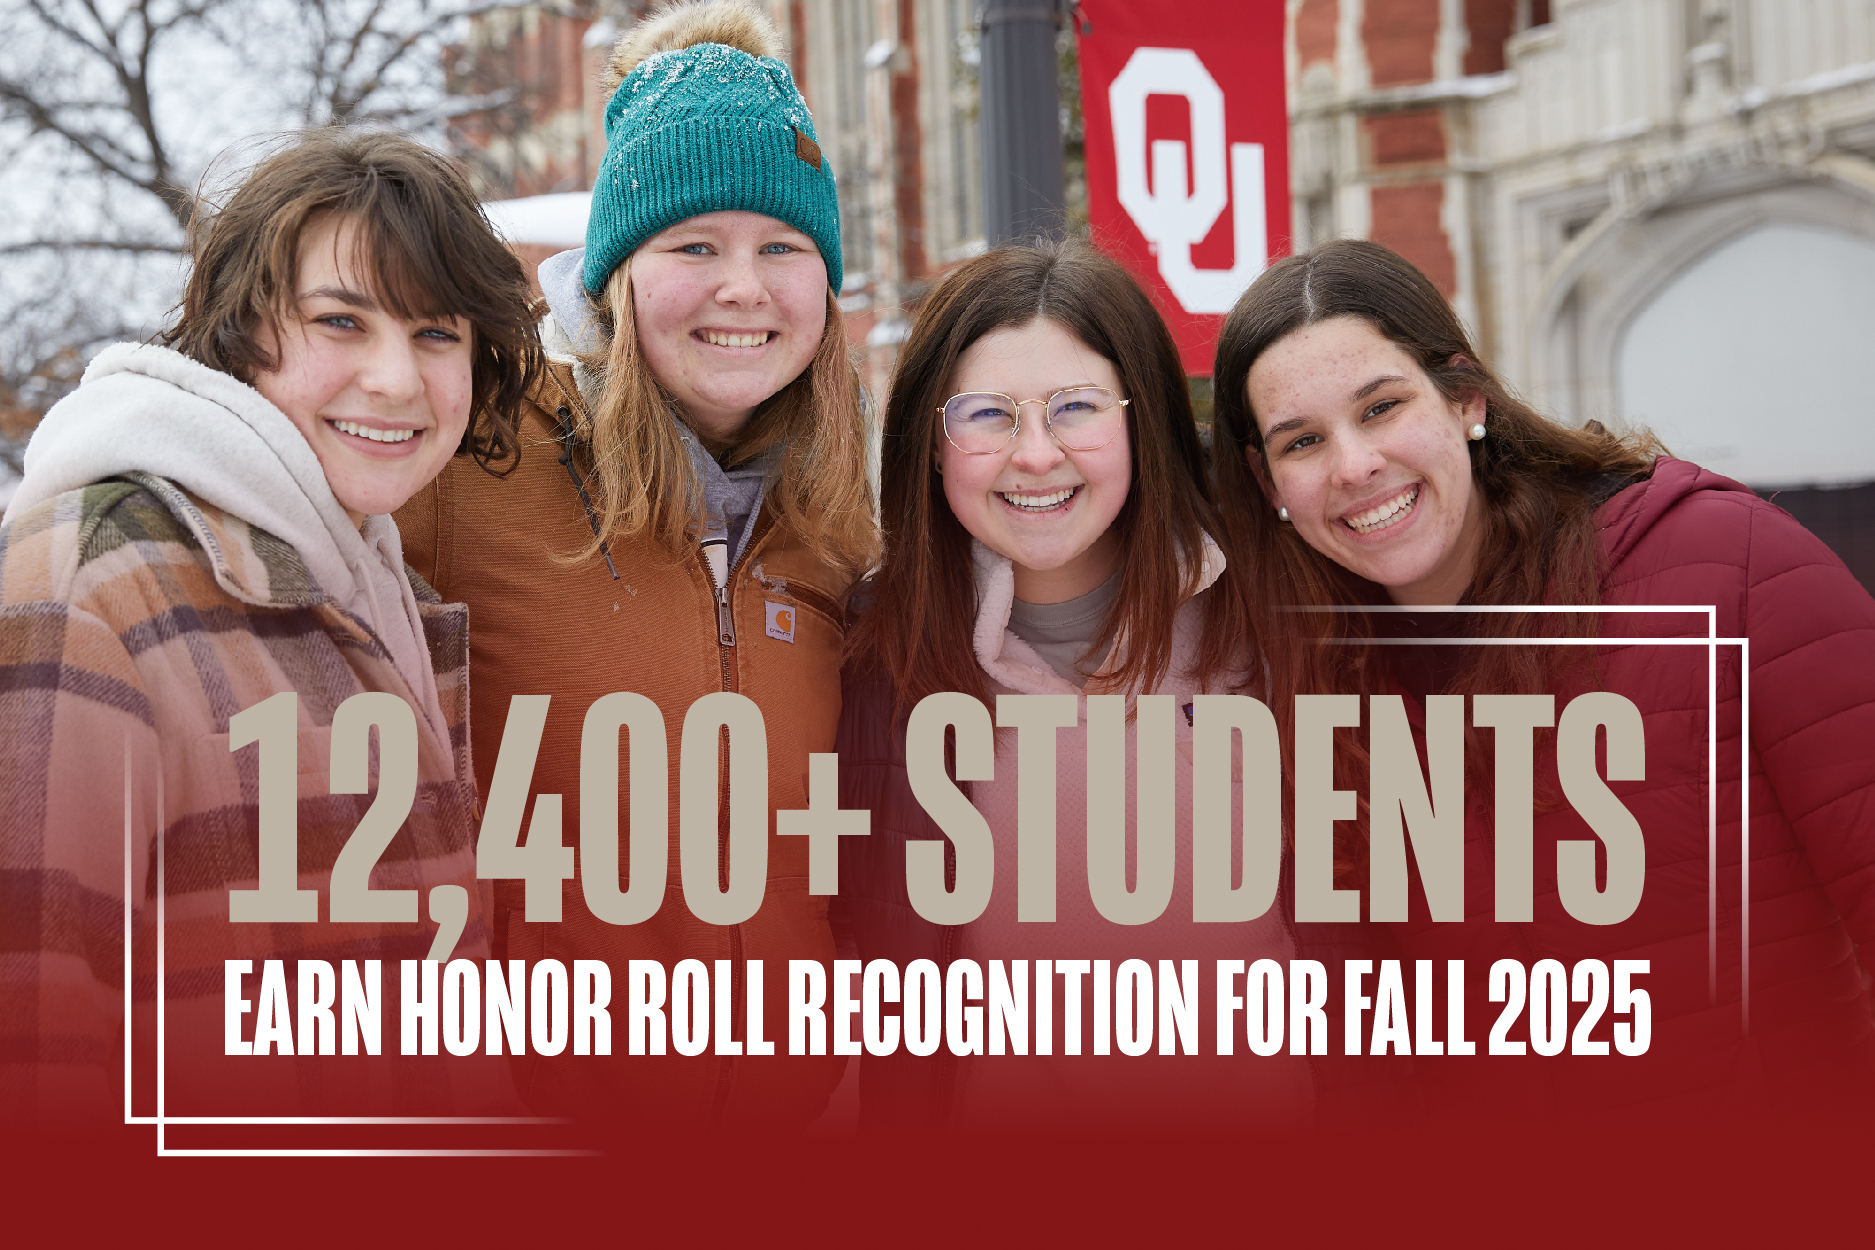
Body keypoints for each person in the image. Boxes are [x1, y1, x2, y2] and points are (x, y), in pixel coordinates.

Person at [1209, 237, 1875, 1110]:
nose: (1353, 466)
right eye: (1301, 440)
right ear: (1269, 485)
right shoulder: (1310, 688)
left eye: (1379, 408)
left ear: (1465, 400)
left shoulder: (1726, 566)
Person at [394, 0, 875, 1130]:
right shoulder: (478, 451)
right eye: (693, 245)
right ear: (616, 269)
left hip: (787, 1135)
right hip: (543, 1130)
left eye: (783, 248)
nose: (743, 287)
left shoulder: (841, 511)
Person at [0, 128, 539, 1123]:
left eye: (436, 335)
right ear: (238, 329)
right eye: (341, 321)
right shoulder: (91, 583)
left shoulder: (384, 596)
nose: (395, 379)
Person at [835, 240, 1315, 1130]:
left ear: (1143, 423)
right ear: (932, 445)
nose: (1034, 454)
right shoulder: (875, 662)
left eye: (1075, 408)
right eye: (986, 415)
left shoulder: (1271, 615)